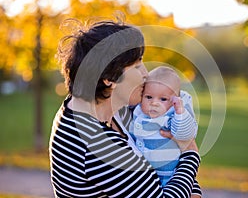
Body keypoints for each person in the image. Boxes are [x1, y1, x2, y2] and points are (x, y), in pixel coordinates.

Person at [49, 17, 201, 198]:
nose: (146, 74)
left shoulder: (109, 110)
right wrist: (190, 153)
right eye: (137, 66)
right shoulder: (98, 146)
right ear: (109, 77)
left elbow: (167, 172)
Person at [128, 66, 200, 191]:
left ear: (174, 100)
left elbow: (185, 135)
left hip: (171, 175)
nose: (154, 103)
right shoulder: (138, 111)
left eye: (163, 99)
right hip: (146, 179)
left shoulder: (171, 115)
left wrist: (180, 112)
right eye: (149, 97)